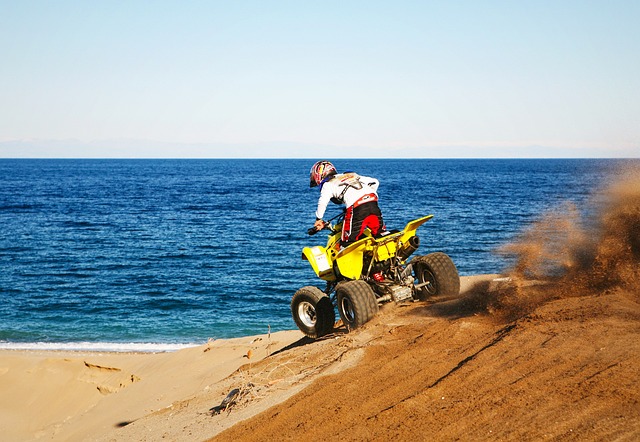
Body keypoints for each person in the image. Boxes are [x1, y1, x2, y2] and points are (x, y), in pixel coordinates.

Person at [309, 160, 385, 246]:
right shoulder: (351, 175)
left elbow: (322, 202)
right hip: (373, 202)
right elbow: (375, 182)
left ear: (319, 175)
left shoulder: (327, 184)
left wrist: (318, 219)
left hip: (356, 208)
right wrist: (365, 197)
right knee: (380, 235)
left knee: (347, 242)